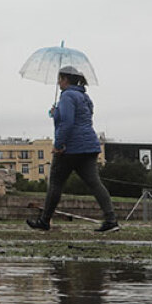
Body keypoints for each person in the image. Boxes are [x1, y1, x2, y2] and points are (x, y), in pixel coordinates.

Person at [27, 65, 120, 233]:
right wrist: (56, 113)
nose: (58, 82)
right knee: (95, 183)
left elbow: (68, 123)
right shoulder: (85, 97)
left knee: (55, 184)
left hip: (70, 148)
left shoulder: (67, 96)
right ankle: (111, 219)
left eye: (59, 79)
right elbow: (83, 118)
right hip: (89, 146)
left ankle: (44, 220)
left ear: (65, 80)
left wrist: (58, 145)